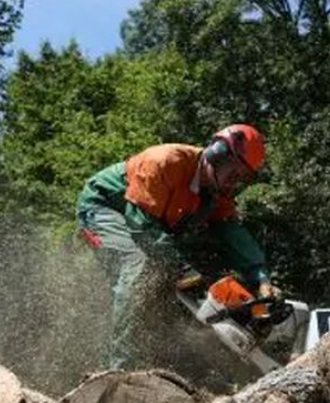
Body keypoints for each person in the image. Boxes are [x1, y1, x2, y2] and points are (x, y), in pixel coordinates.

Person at [76, 124, 276, 368]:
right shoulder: (165, 161)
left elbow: (231, 231)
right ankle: (121, 370)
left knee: (171, 289)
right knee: (140, 271)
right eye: (234, 175)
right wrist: (180, 267)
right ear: (217, 153)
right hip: (106, 207)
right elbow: (140, 224)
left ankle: (165, 366)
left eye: (241, 179)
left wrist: (259, 276)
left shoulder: (215, 194)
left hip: (150, 226)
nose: (234, 184)